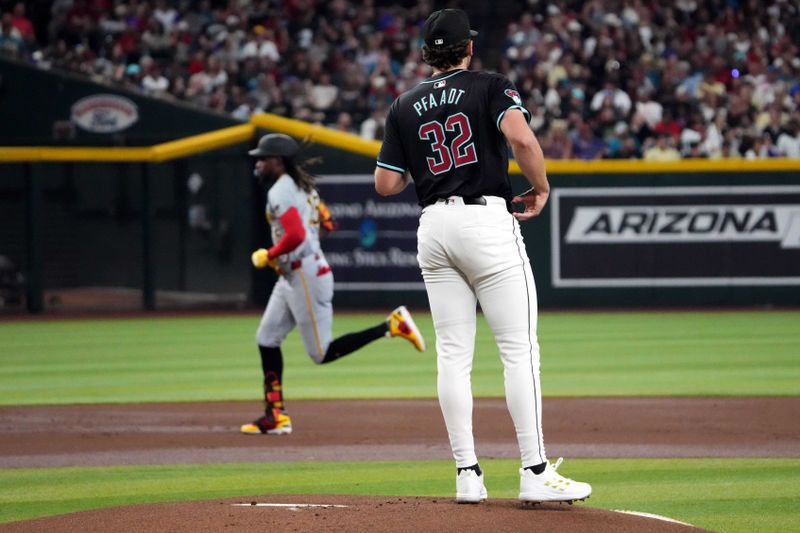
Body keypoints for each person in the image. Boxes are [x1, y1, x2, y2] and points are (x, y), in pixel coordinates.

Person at [373, 9, 592, 505]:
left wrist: (422, 158)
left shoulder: (403, 104)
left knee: (453, 355)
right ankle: (534, 470)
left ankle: (466, 475)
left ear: (427, 53)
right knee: (518, 350)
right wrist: (540, 187)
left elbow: (385, 183)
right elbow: (520, 138)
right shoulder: (490, 84)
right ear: (467, 48)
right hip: (485, 221)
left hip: (433, 226)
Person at [242, 133, 426, 435]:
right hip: (294, 273)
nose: (258, 163)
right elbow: (327, 223)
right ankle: (276, 415)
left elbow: (298, 236)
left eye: (263, 158)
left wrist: (271, 253)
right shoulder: (303, 187)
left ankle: (390, 325)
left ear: (278, 161)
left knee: (320, 353)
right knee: (266, 338)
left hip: (304, 274)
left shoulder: (281, 190)